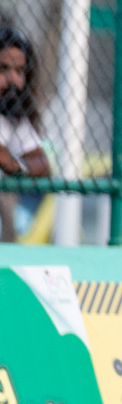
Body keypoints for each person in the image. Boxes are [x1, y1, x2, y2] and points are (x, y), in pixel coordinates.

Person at [0, 26, 53, 243]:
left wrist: (16, 166)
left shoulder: (14, 117)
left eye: (19, 71)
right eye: (3, 69)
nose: (12, 79)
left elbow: (41, 164)